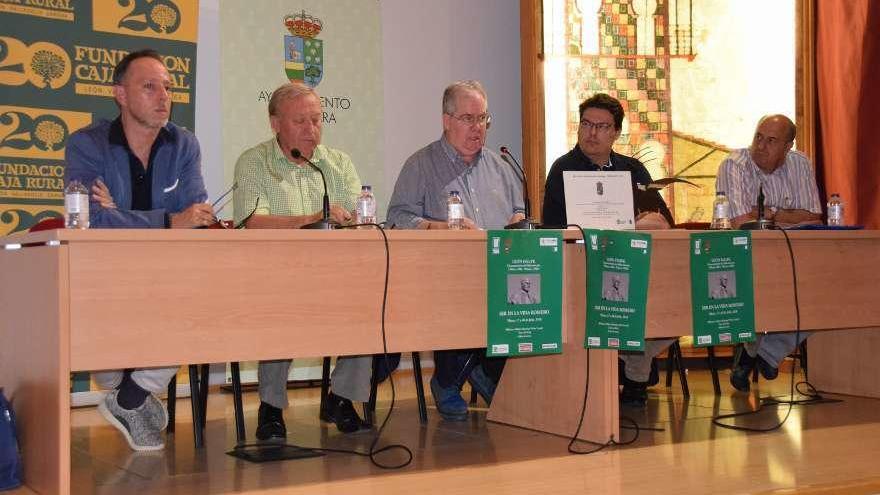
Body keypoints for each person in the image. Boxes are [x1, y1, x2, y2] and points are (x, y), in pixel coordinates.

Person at [64, 49, 214, 451]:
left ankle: (130, 397)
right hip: (103, 272)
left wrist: (123, 213)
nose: (163, 96)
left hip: (164, 270)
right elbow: (89, 219)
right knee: (84, 302)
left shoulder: (184, 144)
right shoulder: (86, 144)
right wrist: (167, 220)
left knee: (200, 297)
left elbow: (196, 216)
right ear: (120, 94)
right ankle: (125, 394)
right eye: (149, 87)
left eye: (167, 87)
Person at [232, 82, 371, 438]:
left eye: (317, 120)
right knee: (281, 304)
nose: (311, 130)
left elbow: (359, 216)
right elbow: (253, 221)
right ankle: (271, 407)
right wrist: (309, 220)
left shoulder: (337, 164)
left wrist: (351, 219)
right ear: (275, 123)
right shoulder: (254, 161)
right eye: (300, 122)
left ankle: (341, 396)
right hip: (275, 274)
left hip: (335, 274)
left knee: (370, 303)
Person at [387, 80, 525, 420]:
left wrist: (518, 220)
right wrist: (439, 227)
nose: (478, 128)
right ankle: (450, 380)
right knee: (464, 297)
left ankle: (483, 371)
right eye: (468, 118)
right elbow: (397, 218)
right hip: (442, 276)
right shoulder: (420, 164)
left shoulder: (501, 167)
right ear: (446, 120)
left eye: (483, 119)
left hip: (499, 271)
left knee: (523, 299)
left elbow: (519, 214)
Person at [542, 93, 673, 407]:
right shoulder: (563, 169)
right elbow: (557, 229)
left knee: (679, 299)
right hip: (583, 268)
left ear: (616, 133)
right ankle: (635, 366)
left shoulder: (633, 169)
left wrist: (628, 226)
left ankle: (634, 361)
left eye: (601, 127)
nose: (591, 133)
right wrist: (630, 224)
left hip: (631, 266)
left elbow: (663, 223)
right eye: (586, 124)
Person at [716, 114, 821, 392]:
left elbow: (813, 217)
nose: (760, 145)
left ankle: (763, 351)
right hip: (743, 256)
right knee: (766, 288)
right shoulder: (734, 164)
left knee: (824, 291)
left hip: (791, 256)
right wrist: (789, 217)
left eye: (771, 141)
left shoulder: (800, 164)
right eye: (758, 137)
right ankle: (755, 347)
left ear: (788, 147)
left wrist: (769, 213)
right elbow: (740, 223)